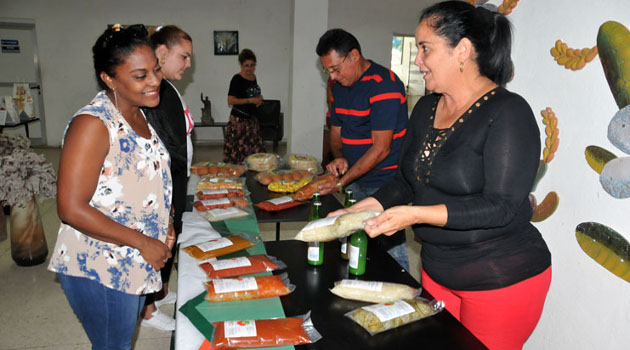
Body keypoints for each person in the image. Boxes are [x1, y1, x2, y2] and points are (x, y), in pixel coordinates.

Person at [330, 2, 552, 349]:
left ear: (461, 50)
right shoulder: (426, 108)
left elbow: (501, 207)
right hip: (437, 271)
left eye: (425, 48)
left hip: (499, 277)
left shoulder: (508, 112)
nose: (417, 60)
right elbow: (406, 182)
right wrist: (357, 209)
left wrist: (415, 215)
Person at [48, 24, 174, 349]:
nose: (155, 80)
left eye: (156, 69)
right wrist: (144, 242)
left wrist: (167, 223)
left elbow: (153, 179)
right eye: (140, 75)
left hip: (133, 256)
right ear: (109, 78)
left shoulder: (142, 112)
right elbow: (70, 207)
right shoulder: (93, 124)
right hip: (100, 264)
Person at [316, 29, 410, 271]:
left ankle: (403, 304)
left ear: (354, 55)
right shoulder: (338, 88)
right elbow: (336, 133)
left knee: (390, 253)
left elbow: (381, 149)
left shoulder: (384, 85)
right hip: (355, 180)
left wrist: (340, 182)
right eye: (328, 71)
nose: (333, 77)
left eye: (336, 69)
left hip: (385, 184)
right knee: (357, 245)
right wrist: (340, 158)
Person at [140, 24, 194, 331]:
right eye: (183, 57)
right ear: (161, 52)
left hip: (176, 179)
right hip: (163, 184)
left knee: (170, 240)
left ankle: (158, 292)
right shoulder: (153, 91)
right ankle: (147, 309)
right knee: (160, 240)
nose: (188, 65)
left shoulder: (168, 87)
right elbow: (164, 145)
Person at [224, 48, 266, 163]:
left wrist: (258, 99)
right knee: (238, 155)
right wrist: (250, 100)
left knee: (255, 154)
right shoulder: (236, 79)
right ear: (241, 65)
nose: (249, 68)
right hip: (238, 122)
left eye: (252, 65)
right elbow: (230, 100)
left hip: (252, 121)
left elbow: (253, 94)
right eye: (246, 65)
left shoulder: (253, 77)